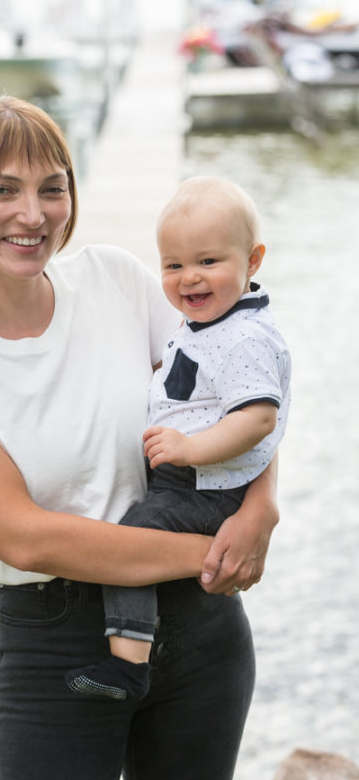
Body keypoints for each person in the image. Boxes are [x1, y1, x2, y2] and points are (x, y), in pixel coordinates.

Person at [0, 96, 279, 780]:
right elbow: (24, 537)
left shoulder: (116, 280)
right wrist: (214, 551)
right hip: (58, 646)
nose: (33, 214)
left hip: (201, 633)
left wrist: (260, 509)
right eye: (3, 189)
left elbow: (238, 391)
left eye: (52, 188)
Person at [66, 176, 291, 704]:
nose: (189, 277)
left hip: (205, 486)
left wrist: (191, 449)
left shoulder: (243, 337)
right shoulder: (207, 322)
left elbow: (259, 419)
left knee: (132, 541)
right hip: (191, 479)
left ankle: (128, 664)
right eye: (173, 265)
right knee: (137, 535)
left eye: (208, 261)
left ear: (253, 260)